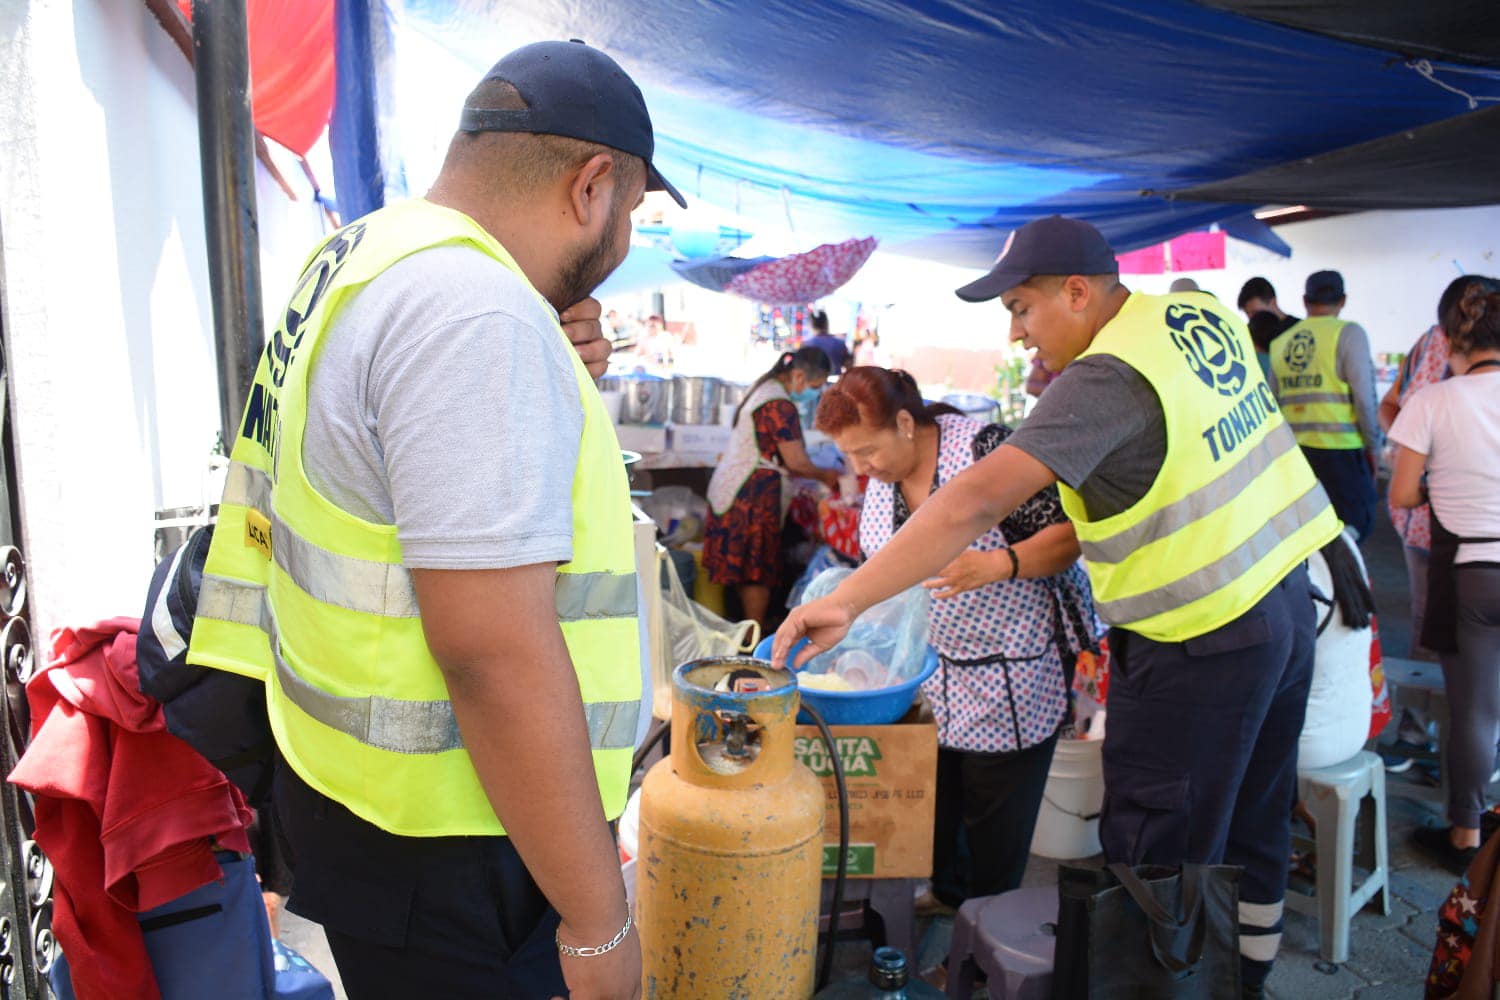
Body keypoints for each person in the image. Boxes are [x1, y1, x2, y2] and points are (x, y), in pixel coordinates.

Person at [185, 39, 688, 999]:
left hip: (358, 804)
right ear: (592, 187)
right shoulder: (474, 315)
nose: (624, 243)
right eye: (630, 210)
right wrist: (595, 926)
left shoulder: (366, 253)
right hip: (461, 837)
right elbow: (492, 654)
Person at [773, 214, 1340, 996]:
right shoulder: (1193, 312)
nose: (1016, 336)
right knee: (1253, 823)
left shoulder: (1104, 378)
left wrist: (850, 602)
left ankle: (1160, 988)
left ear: (1078, 292)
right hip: (1281, 601)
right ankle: (1248, 980)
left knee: (1155, 859)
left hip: (1197, 641)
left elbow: (974, 500)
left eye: (1022, 309)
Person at [814, 366, 1100, 909]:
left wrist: (1000, 563)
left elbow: (1072, 534)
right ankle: (948, 899)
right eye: (848, 456)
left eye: (867, 450)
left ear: (904, 422)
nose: (860, 468)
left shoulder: (986, 450)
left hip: (1011, 675)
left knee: (996, 825)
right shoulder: (883, 482)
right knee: (939, 809)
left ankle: (989, 941)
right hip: (931, 678)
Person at [1390, 275, 1500, 873]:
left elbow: (1404, 493)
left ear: (1450, 336)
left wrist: (1450, 485)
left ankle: (1465, 836)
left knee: (1474, 710)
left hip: (1473, 570)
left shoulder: (1434, 399)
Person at [704, 348, 840, 629]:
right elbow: (796, 462)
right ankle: (754, 634)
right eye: (816, 387)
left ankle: (744, 631)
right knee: (757, 569)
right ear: (799, 375)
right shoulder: (779, 405)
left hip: (736, 485)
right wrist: (830, 477)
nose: (815, 394)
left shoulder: (766, 389)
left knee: (745, 569)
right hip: (750, 493)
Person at [1268, 270, 1382, 541]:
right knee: (1350, 532)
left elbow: (1271, 405)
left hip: (1296, 456)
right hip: (1341, 455)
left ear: (1305, 301)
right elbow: (1365, 399)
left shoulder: (1281, 342)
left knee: (1307, 535)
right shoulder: (1349, 334)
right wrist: (1373, 446)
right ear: (1342, 301)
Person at [803, 308, 852, 374]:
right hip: (836, 381)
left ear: (811, 325)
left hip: (814, 382)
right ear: (826, 323)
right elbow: (848, 365)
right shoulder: (839, 343)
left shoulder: (807, 345)